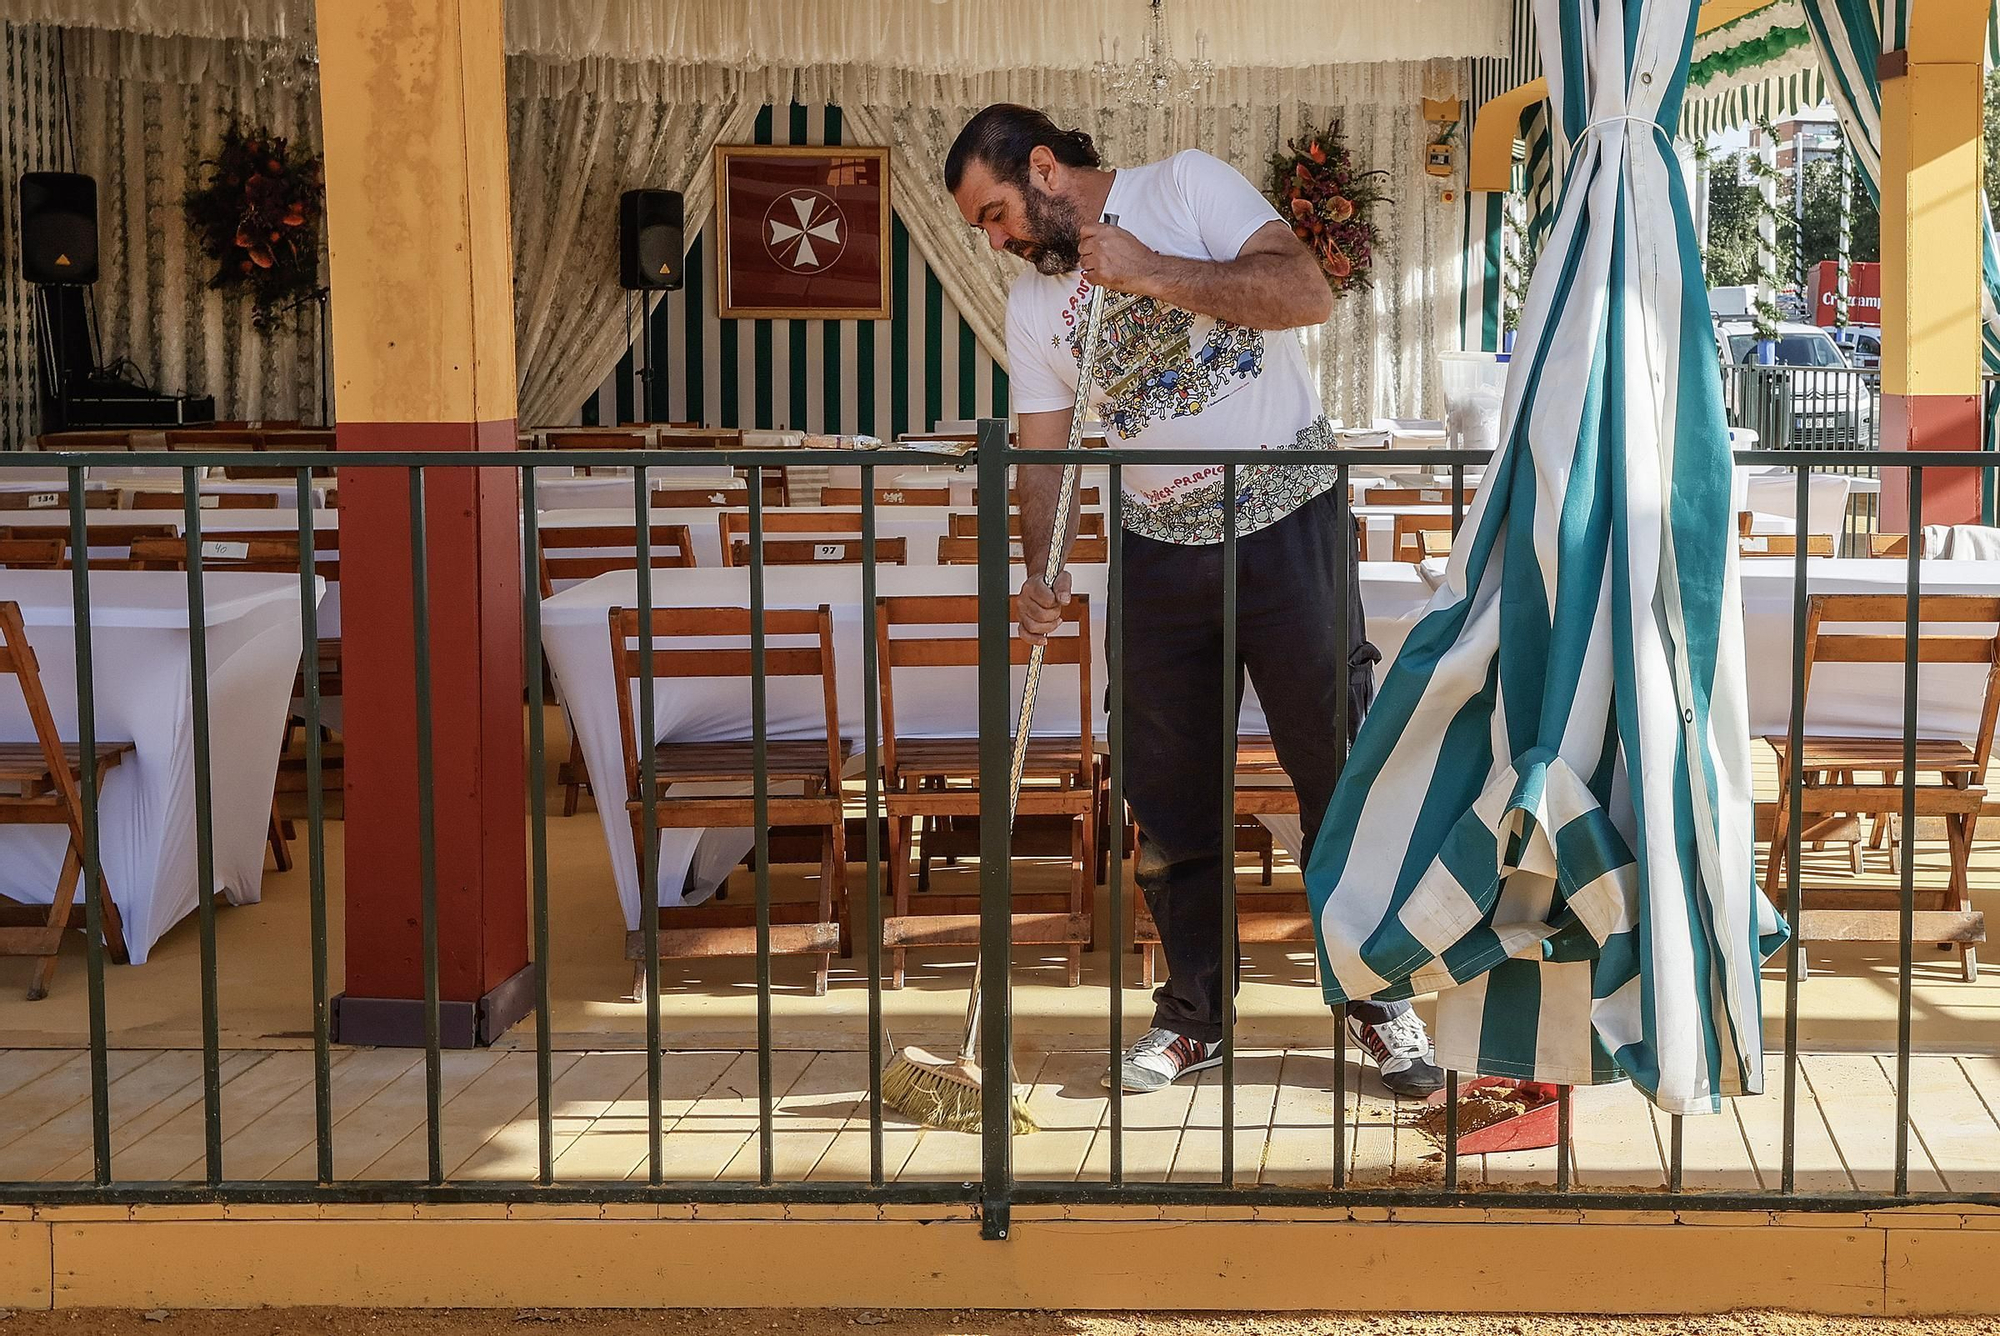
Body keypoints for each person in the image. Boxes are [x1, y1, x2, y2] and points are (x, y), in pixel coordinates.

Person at [943, 105, 1444, 1099]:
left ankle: (1376, 1000)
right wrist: (1036, 569)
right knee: (1167, 794)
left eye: (994, 212)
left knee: (1334, 765)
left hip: (1287, 523)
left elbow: (1304, 292)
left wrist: (1151, 273)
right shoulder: (1032, 305)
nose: (995, 239)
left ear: (1043, 167)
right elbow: (1043, 454)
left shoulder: (1184, 186)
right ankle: (1193, 1016)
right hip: (1155, 552)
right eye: (983, 229)